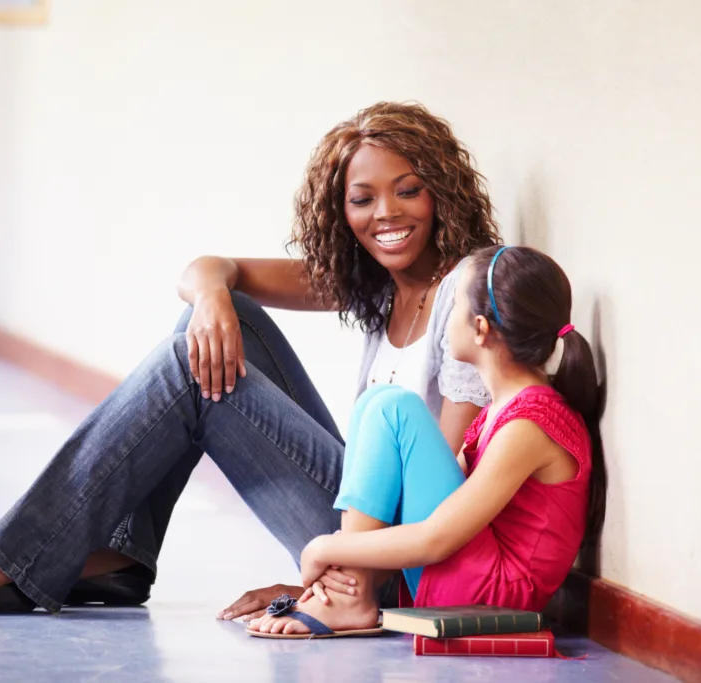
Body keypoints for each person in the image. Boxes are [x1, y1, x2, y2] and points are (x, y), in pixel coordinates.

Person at [0, 102, 499, 616]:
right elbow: (207, 268)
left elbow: (439, 500)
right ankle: (118, 555)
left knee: (188, 367)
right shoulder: (379, 280)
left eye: (408, 191)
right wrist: (213, 299)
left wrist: (318, 580)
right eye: (363, 199)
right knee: (217, 325)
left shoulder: (462, 293)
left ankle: (16, 559)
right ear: (342, 211)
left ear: (441, 192)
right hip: (362, 521)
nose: (385, 214)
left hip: (399, 564)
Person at [246, 245, 607, 638]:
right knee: (377, 401)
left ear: (481, 329)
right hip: (474, 579)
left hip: (493, 597)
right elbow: (425, 517)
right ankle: (349, 592)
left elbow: (436, 537)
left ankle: (350, 598)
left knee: (395, 407)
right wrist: (340, 560)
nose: (443, 317)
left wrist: (323, 549)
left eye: (451, 306)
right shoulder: (498, 413)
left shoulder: (531, 423)